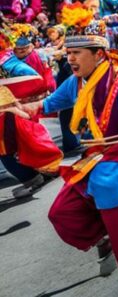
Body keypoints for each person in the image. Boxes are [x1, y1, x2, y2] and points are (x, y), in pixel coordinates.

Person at [14, 2, 118, 297]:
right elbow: (48, 104)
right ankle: (104, 235)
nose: (71, 58)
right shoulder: (75, 83)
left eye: (76, 53)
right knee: (62, 213)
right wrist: (19, 108)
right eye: (68, 53)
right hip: (93, 157)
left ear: (99, 54)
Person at [0, 26, 60, 199]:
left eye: (23, 49)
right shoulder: (10, 58)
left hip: (16, 108)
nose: (20, 52)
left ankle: (34, 177)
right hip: (18, 107)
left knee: (13, 147)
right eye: (17, 49)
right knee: (26, 142)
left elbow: (33, 78)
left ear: (32, 46)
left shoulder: (8, 60)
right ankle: (43, 171)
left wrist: (29, 97)